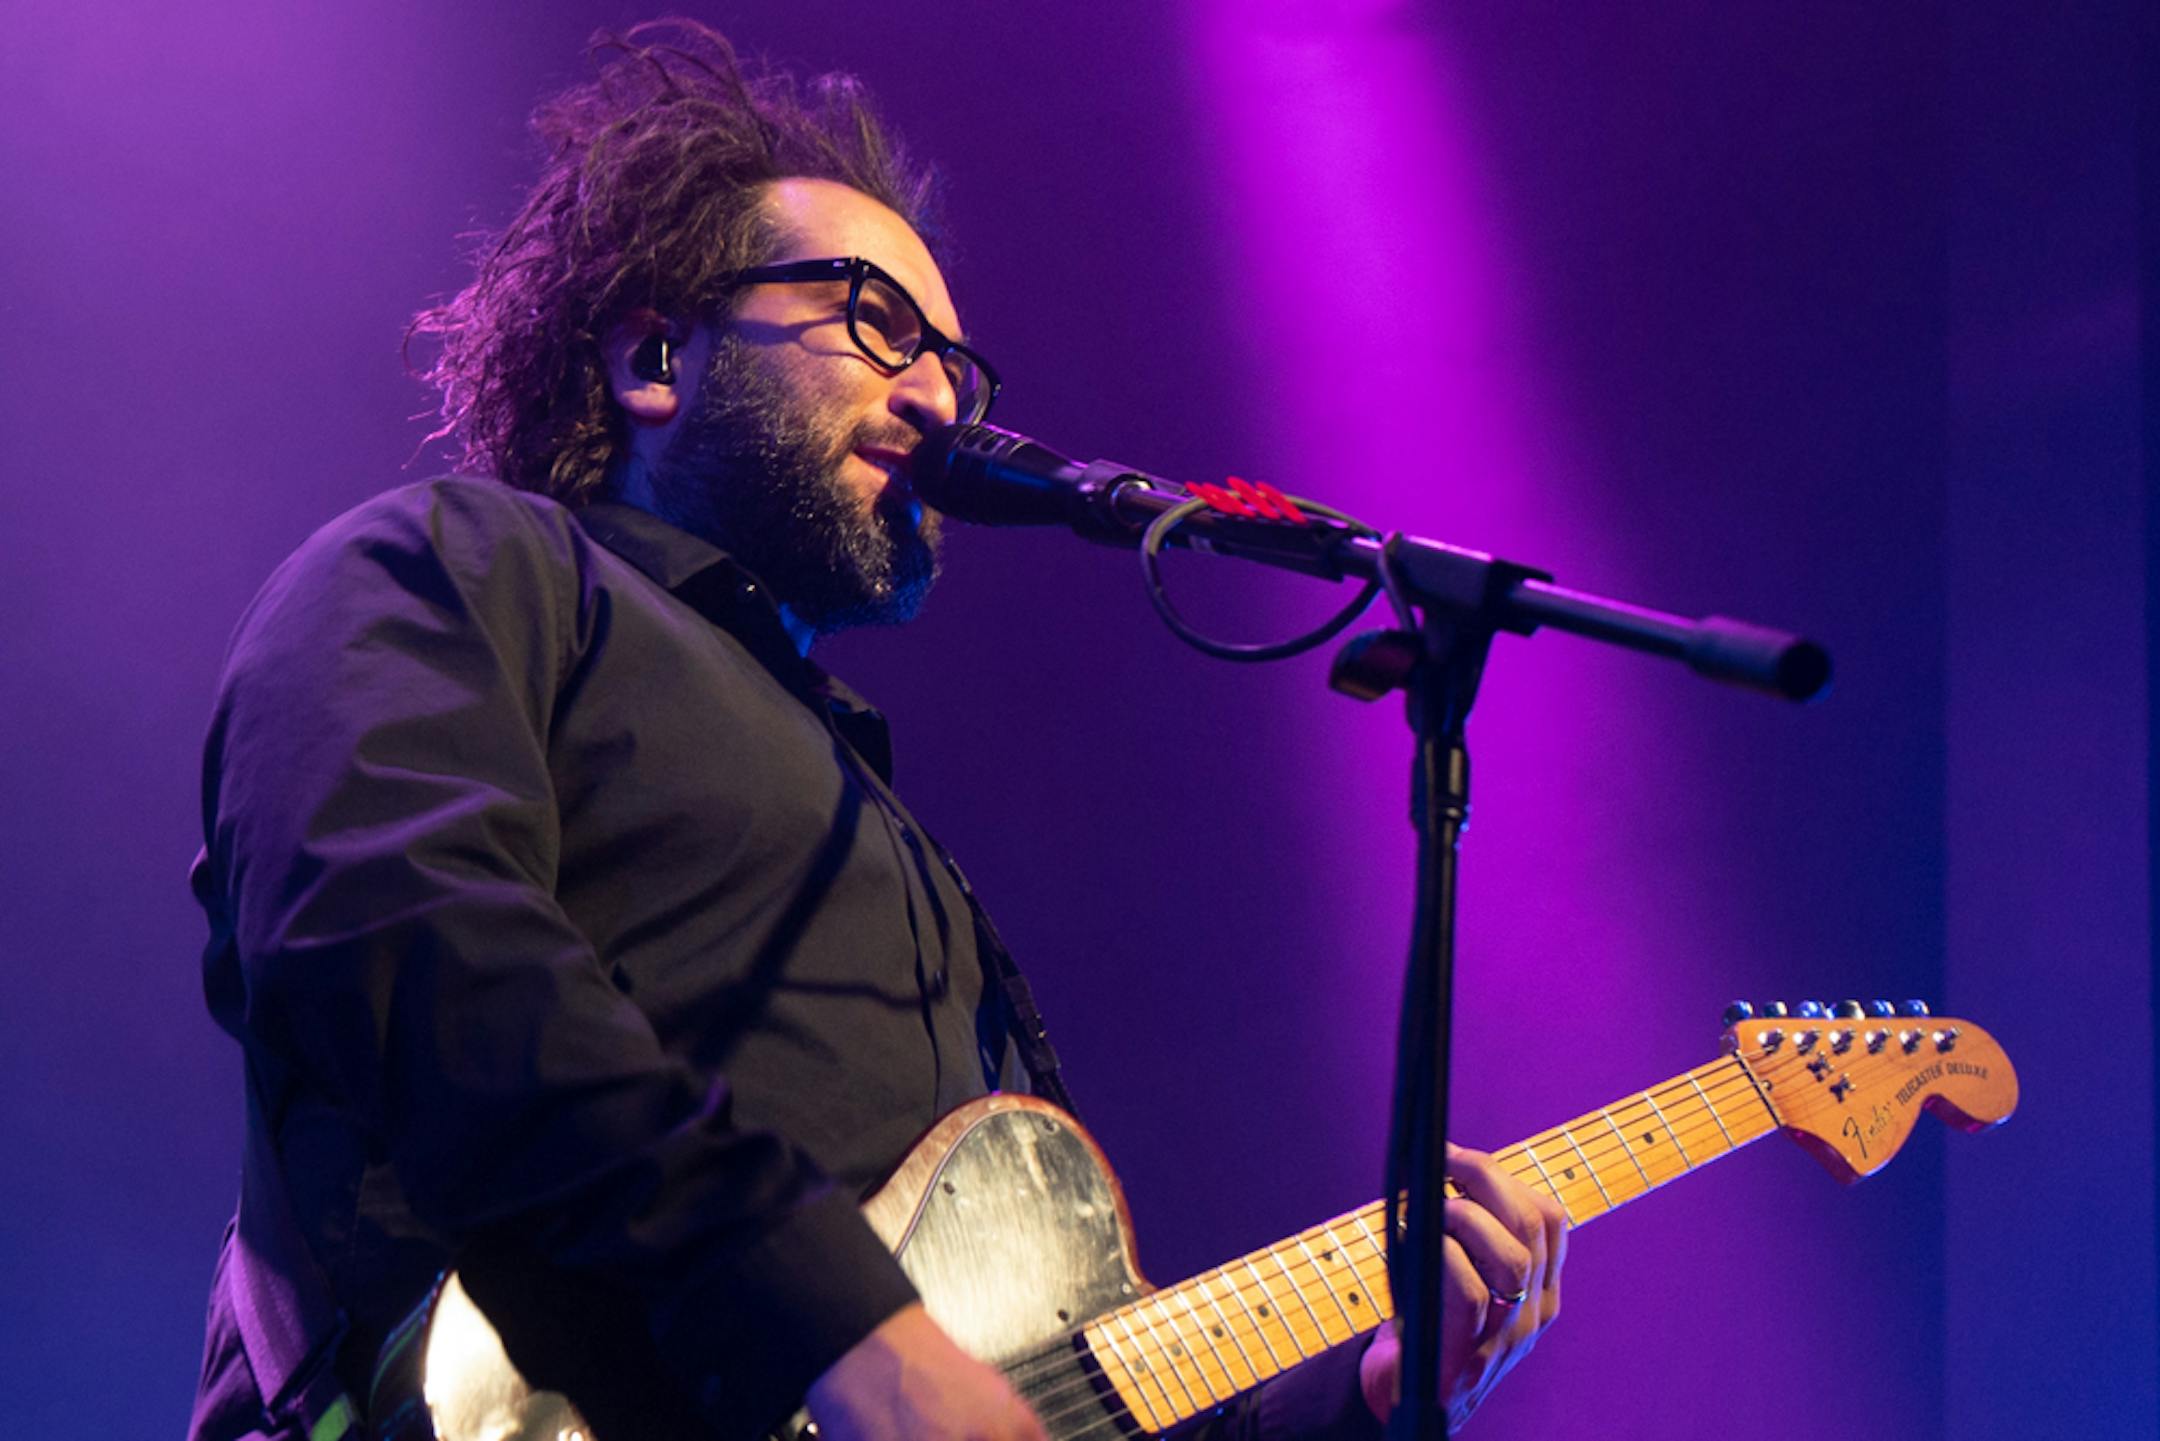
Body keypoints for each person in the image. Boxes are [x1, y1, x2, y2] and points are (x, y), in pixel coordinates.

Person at [185, 21, 1565, 1441]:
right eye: (877, 322)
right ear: (657, 354)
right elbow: (401, 936)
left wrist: (1367, 1389)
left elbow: (1041, 1394)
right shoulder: (453, 566)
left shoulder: (885, 834)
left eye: (958, 362)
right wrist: (844, 1326)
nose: (937, 396)